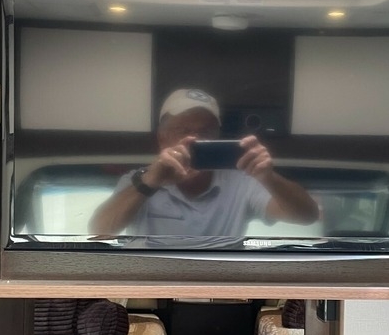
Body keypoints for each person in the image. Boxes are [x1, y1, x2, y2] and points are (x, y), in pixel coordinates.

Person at [89, 88, 319, 236]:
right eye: (184, 130)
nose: (195, 139)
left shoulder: (242, 182)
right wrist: (151, 182)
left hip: (223, 288)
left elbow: (307, 216)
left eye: (206, 131)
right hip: (157, 289)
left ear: (217, 136)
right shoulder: (138, 181)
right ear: (162, 138)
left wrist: (268, 177)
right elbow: (100, 231)